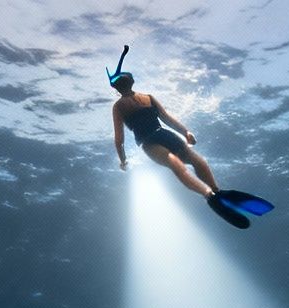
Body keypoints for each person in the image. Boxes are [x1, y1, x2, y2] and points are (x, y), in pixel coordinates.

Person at [107, 47, 272, 229]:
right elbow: (119, 139)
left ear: (130, 80)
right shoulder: (119, 107)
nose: (122, 81)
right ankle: (209, 195)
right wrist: (123, 160)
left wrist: (185, 132)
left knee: (197, 160)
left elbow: (167, 118)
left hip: (163, 133)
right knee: (174, 163)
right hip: (148, 142)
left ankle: (216, 191)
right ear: (118, 85)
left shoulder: (148, 98)